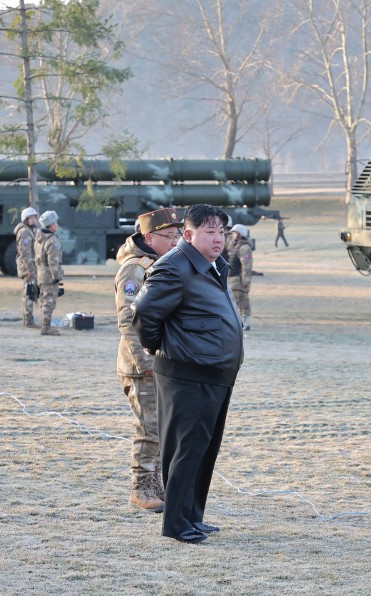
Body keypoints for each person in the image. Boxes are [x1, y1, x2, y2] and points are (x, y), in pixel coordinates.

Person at [132, 204, 244, 544]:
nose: (218, 239)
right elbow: (144, 314)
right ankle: (176, 524)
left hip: (214, 373)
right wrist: (155, 345)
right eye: (209, 232)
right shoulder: (175, 266)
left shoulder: (211, 265)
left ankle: (193, 516)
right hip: (186, 373)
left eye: (221, 232)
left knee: (204, 449)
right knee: (185, 450)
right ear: (189, 234)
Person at [114, 208, 182, 512]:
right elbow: (128, 318)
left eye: (178, 235)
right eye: (169, 236)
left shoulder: (160, 264)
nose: (176, 241)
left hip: (162, 361)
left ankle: (155, 485)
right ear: (149, 236)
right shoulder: (134, 269)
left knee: (161, 428)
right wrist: (146, 362)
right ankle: (141, 487)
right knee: (149, 427)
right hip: (142, 366)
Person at [35, 210, 62, 336]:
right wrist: (56, 277)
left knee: (44, 301)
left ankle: (44, 325)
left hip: (41, 275)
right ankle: (45, 328)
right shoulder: (52, 240)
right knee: (49, 302)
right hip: (49, 277)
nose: (57, 225)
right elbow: (53, 262)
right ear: (51, 225)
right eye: (55, 222)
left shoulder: (39, 239)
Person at [14, 207, 39, 328]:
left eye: (35, 217)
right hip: (27, 267)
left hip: (31, 266)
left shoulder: (31, 230)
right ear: (25, 219)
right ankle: (28, 321)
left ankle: (29, 320)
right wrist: (30, 269)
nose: (34, 220)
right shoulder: (24, 232)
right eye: (31, 218)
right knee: (29, 293)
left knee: (32, 291)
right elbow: (25, 252)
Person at [228, 223, 254, 331]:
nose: (233, 235)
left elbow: (246, 266)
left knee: (243, 302)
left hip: (239, 281)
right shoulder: (236, 246)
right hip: (233, 280)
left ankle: (245, 323)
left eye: (235, 233)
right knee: (236, 303)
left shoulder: (244, 247)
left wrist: (245, 281)